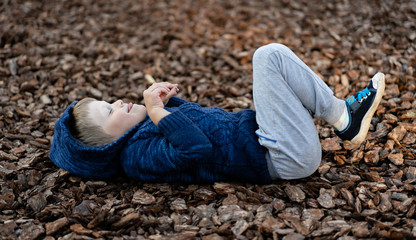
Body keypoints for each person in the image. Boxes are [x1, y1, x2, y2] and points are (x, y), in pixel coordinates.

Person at [50, 43, 385, 183]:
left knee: (273, 57)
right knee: (266, 56)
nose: (119, 102)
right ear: (107, 143)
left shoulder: (146, 132)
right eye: (110, 110)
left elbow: (196, 126)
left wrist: (164, 106)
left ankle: (343, 116)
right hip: (283, 157)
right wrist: (154, 110)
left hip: (273, 140)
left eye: (109, 100)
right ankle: (344, 119)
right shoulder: (135, 157)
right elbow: (196, 148)